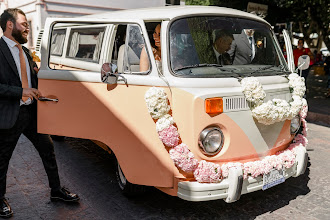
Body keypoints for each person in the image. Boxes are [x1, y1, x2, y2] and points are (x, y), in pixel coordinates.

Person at [0, 8, 79, 218]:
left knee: (48, 149)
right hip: (9, 115)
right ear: (10, 24)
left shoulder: (25, 52)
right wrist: (20, 91)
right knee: (3, 159)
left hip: (32, 113)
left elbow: (31, 78)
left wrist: (39, 75)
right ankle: (0, 199)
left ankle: (56, 191)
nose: (27, 27)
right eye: (24, 23)